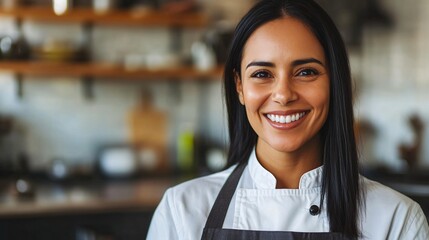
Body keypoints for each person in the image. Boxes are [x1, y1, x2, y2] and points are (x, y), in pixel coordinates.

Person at [147, 0, 429, 239]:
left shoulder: (395, 220)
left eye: (306, 72)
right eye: (261, 74)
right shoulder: (182, 211)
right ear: (239, 86)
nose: (283, 94)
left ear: (335, 82)